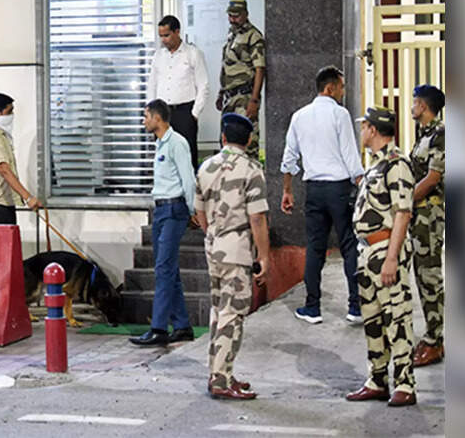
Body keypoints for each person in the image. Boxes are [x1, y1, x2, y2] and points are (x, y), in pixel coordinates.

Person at [345, 106, 418, 408]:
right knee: (373, 320)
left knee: (396, 317)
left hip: (386, 249)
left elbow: (403, 213)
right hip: (367, 252)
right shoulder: (376, 164)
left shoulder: (396, 164)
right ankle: (377, 380)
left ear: (373, 130)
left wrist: (391, 258)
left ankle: (405, 384)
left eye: (364, 126)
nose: (361, 131)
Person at [280, 66, 364, 325]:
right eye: (341, 87)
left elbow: (289, 158)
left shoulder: (299, 116)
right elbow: (350, 153)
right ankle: (355, 307)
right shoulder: (340, 114)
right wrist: (361, 182)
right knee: (349, 245)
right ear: (330, 88)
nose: (343, 91)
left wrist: (286, 190)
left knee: (315, 248)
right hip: (339, 189)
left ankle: (312, 307)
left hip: (314, 190)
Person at [194, 114, 270, 400]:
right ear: (248, 140)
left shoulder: (206, 166)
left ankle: (219, 370)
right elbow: (257, 218)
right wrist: (264, 256)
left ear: (223, 137)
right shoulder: (252, 170)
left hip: (213, 247)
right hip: (237, 250)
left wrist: (213, 234)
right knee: (233, 313)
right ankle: (221, 380)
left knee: (218, 311)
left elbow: (199, 212)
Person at [130, 99, 197, 347]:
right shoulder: (159, 144)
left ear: (157, 118)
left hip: (174, 209)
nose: (144, 121)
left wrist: (193, 210)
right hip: (160, 210)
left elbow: (188, 179)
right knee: (168, 269)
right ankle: (182, 326)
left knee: (163, 268)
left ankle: (158, 328)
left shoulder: (177, 143)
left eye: (146, 116)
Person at [407, 85, 446, 368]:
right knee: (422, 275)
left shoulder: (440, 134)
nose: (411, 107)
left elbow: (432, 178)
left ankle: (436, 340)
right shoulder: (425, 133)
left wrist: (403, 203)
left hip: (429, 214)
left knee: (430, 276)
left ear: (422, 105)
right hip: (420, 214)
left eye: (414, 102)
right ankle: (432, 335)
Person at [146, 15, 210, 171]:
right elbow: (152, 84)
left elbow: (203, 85)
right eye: (161, 36)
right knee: (163, 157)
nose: (164, 40)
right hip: (161, 114)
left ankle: (189, 186)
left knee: (187, 156)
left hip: (184, 112)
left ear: (177, 32)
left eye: (167, 35)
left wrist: (194, 114)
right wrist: (150, 112)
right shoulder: (158, 56)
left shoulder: (193, 53)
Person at [0, 93, 40, 224]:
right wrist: (28, 198)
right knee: (7, 237)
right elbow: (4, 169)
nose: (12, 115)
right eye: (9, 111)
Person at [216, 0, 266, 160]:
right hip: (229, 97)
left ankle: (250, 174)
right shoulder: (232, 34)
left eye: (236, 16)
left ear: (245, 14)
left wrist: (254, 100)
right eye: (230, 16)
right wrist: (221, 93)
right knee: (226, 145)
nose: (232, 19)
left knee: (247, 145)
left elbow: (260, 69)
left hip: (245, 97)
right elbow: (226, 66)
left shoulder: (254, 36)